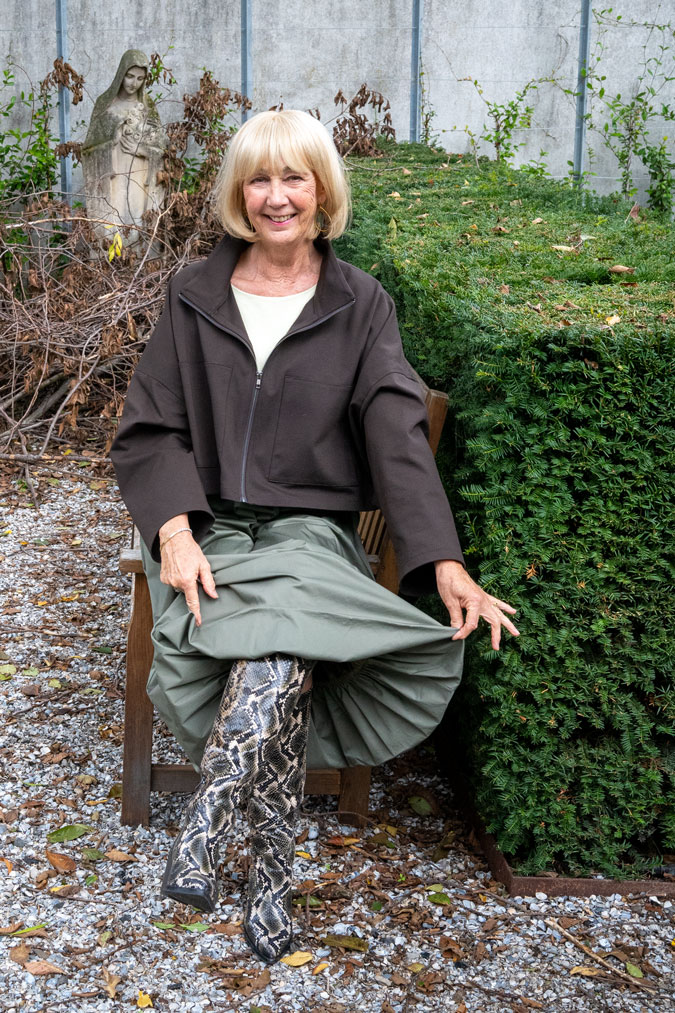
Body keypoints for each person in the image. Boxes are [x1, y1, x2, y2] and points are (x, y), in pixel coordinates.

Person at [109, 109, 519, 963]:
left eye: (294, 177)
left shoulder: (361, 303)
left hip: (307, 534)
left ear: (322, 190)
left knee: (280, 636)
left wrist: (442, 559)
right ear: (238, 193)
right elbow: (150, 429)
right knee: (281, 657)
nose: (276, 197)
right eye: (259, 178)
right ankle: (267, 887)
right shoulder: (192, 294)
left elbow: (397, 432)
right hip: (211, 527)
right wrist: (174, 532)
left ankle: (206, 830)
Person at [82, 49, 167, 249]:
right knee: (113, 222)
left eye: (140, 78)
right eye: (129, 76)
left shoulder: (148, 107)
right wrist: (112, 138)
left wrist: (143, 150)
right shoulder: (105, 104)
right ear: (121, 74)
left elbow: (161, 148)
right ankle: (110, 266)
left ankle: (138, 263)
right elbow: (88, 150)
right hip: (112, 179)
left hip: (140, 178)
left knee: (137, 221)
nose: (133, 83)